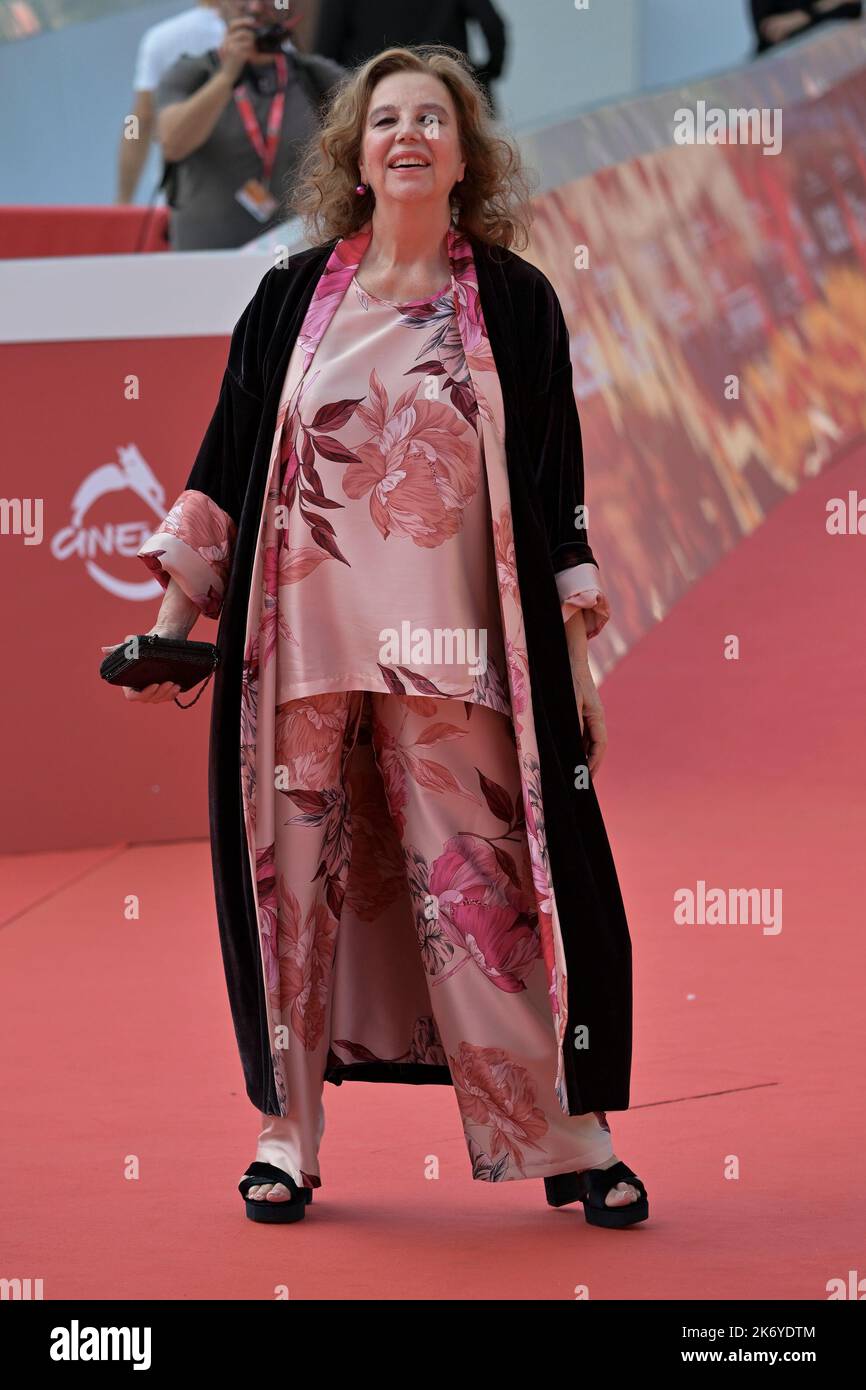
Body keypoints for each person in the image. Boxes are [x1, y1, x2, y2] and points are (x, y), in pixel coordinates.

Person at [106, 44, 647, 1229]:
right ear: (355, 153)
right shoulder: (288, 299)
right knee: (290, 900)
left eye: (430, 121)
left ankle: (566, 1135)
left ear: (463, 155)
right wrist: (166, 631)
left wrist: (577, 665)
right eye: (385, 118)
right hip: (297, 655)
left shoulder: (512, 301)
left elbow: (559, 497)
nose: (406, 135)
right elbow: (219, 474)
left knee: (490, 899)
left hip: (457, 663)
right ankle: (285, 1139)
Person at [153, 0, 344, 250]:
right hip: (204, 265)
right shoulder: (190, 73)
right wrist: (226, 76)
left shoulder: (316, 77)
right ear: (219, 6)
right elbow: (172, 144)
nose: (255, 8)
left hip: (292, 263)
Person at [116, 0, 227, 205]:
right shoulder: (271, 29)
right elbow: (138, 120)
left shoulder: (160, 39)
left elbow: (138, 120)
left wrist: (123, 201)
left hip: (182, 200)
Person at [314, 0, 506, 116]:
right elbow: (492, 25)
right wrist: (484, 75)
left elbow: (325, 53)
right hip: (450, 93)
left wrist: (340, 109)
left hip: (379, 106)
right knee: (473, 173)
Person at [750, 0, 862, 54]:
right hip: (788, 71)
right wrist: (823, 8)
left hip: (835, 55)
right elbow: (772, 31)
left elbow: (852, 8)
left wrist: (804, 16)